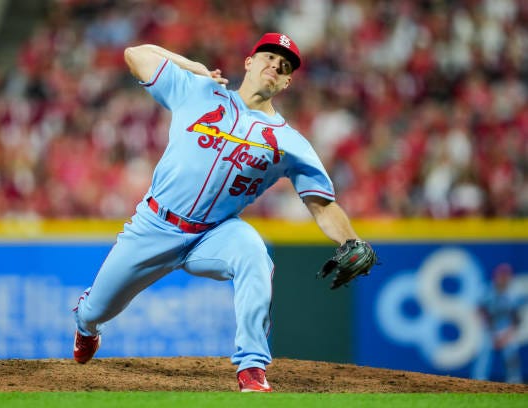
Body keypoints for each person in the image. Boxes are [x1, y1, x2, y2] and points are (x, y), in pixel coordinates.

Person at [72, 33, 366, 392]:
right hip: (154, 225)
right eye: (269, 57)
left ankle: (252, 367)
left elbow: (322, 204)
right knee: (95, 311)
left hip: (214, 233)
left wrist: (351, 240)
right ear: (249, 62)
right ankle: (87, 329)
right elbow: (135, 54)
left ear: (287, 82)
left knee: (255, 253)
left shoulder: (290, 143)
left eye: (284, 66)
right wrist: (189, 64)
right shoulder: (199, 91)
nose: (275, 65)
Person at [472, 263, 524, 383]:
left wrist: (506, 335)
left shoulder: (513, 295)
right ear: (496, 277)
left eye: (506, 276)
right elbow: (479, 309)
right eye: (501, 276)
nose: (503, 279)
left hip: (506, 329)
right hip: (489, 328)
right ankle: (478, 380)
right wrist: (487, 327)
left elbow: (516, 319)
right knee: (484, 352)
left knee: (511, 352)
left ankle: (514, 381)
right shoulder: (489, 291)